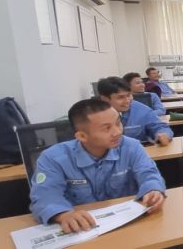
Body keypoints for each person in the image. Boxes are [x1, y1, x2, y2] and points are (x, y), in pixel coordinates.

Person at [29, 99, 166, 233]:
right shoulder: (53, 158)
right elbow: (45, 196)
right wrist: (63, 215)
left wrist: (153, 190)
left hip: (126, 226)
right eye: (107, 128)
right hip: (83, 230)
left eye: (118, 123)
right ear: (82, 136)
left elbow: (149, 174)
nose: (117, 132)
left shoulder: (132, 146)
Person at [97, 77, 173, 145]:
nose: (127, 100)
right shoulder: (94, 116)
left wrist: (164, 134)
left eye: (129, 95)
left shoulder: (140, 109)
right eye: (121, 97)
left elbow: (159, 126)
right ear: (105, 99)